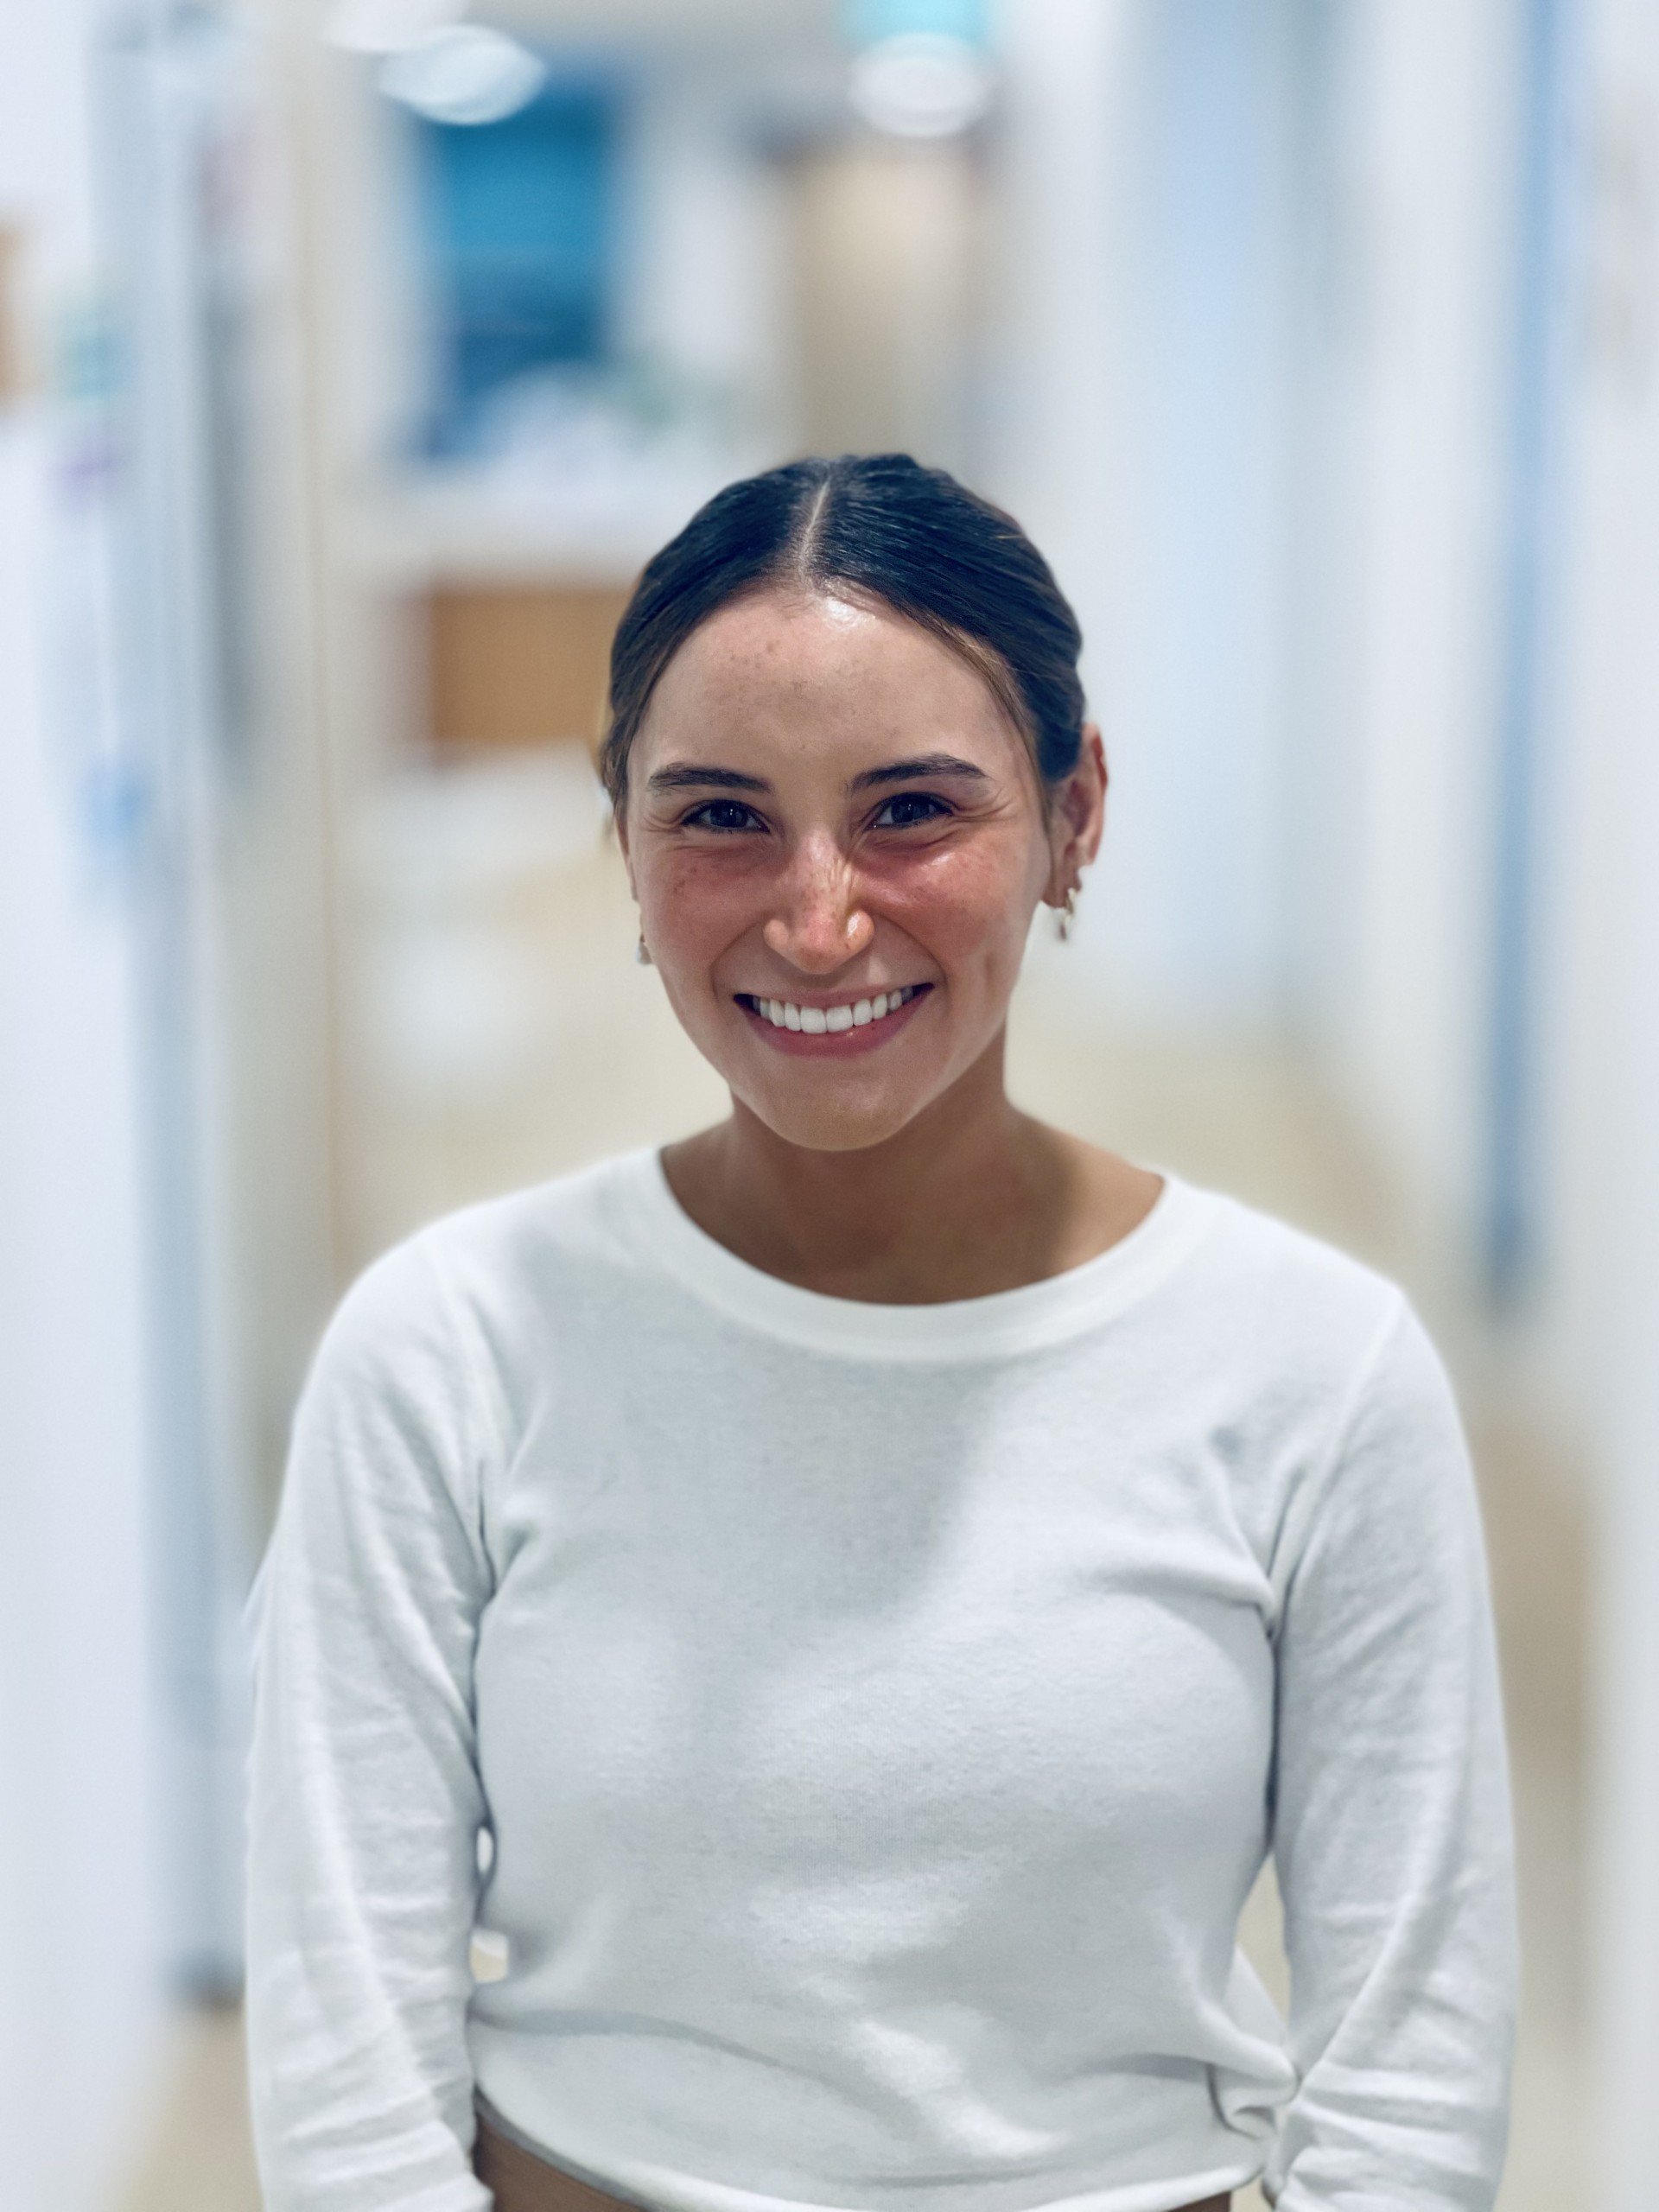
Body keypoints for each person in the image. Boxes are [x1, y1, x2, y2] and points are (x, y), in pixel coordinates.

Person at [244, 454, 1517, 2212]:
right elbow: (349, 2076)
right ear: (624, 840)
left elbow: (1409, 2079)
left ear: (1075, 813)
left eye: (912, 809)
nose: (819, 915)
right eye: (720, 815)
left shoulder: (1315, 1369)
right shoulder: (450, 1350)